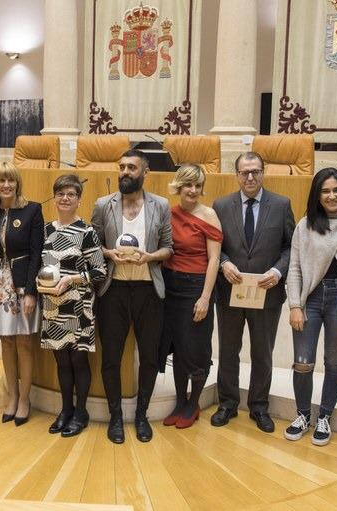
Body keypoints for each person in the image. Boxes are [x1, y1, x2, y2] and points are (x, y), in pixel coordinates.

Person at [91, 149, 173, 444]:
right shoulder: (103, 205)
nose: (125, 172)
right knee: (111, 357)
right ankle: (115, 416)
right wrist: (108, 253)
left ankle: (141, 415)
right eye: (122, 166)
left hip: (148, 290)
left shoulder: (161, 205)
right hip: (112, 291)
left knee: (149, 357)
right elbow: (92, 244)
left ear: (145, 172)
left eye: (131, 167)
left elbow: (169, 248)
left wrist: (150, 257)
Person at [211, 152, 294, 433]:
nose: (250, 177)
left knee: (262, 352)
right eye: (244, 172)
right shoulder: (221, 206)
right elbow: (214, 246)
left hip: (266, 293)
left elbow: (290, 246)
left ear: (263, 172)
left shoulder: (281, 205)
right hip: (230, 292)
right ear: (236, 175)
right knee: (228, 350)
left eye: (255, 171)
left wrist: (278, 272)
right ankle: (227, 403)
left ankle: (259, 406)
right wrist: (224, 263)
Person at [284, 168, 337, 446]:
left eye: (336, 190)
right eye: (325, 191)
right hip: (311, 299)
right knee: (303, 362)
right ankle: (303, 415)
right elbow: (294, 268)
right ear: (317, 195)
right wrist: (295, 305)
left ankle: (325, 416)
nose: (331, 195)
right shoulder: (305, 225)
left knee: (334, 362)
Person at [0, 161, 44, 426]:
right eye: (1, 180)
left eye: (10, 180)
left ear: (17, 183)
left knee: (24, 343)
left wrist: (31, 293)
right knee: (6, 343)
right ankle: (12, 397)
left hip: (22, 286)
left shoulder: (32, 210)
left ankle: (25, 400)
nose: (6, 185)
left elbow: (37, 254)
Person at [41, 174, 106, 437]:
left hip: (79, 307)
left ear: (79, 199)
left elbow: (100, 271)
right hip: (53, 305)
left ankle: (81, 412)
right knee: (61, 361)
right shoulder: (46, 229)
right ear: (54, 198)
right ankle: (66, 410)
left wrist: (71, 279)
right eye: (60, 194)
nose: (65, 198)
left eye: (71, 194)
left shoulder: (87, 232)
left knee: (78, 360)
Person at [160, 164, 222, 429]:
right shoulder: (168, 213)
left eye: (198, 185)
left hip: (196, 288)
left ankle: (193, 403)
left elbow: (214, 260)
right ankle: (180, 402)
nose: (193, 190)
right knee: (178, 347)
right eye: (188, 185)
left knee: (195, 348)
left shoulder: (209, 215)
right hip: (170, 287)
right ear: (179, 186)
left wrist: (205, 297)